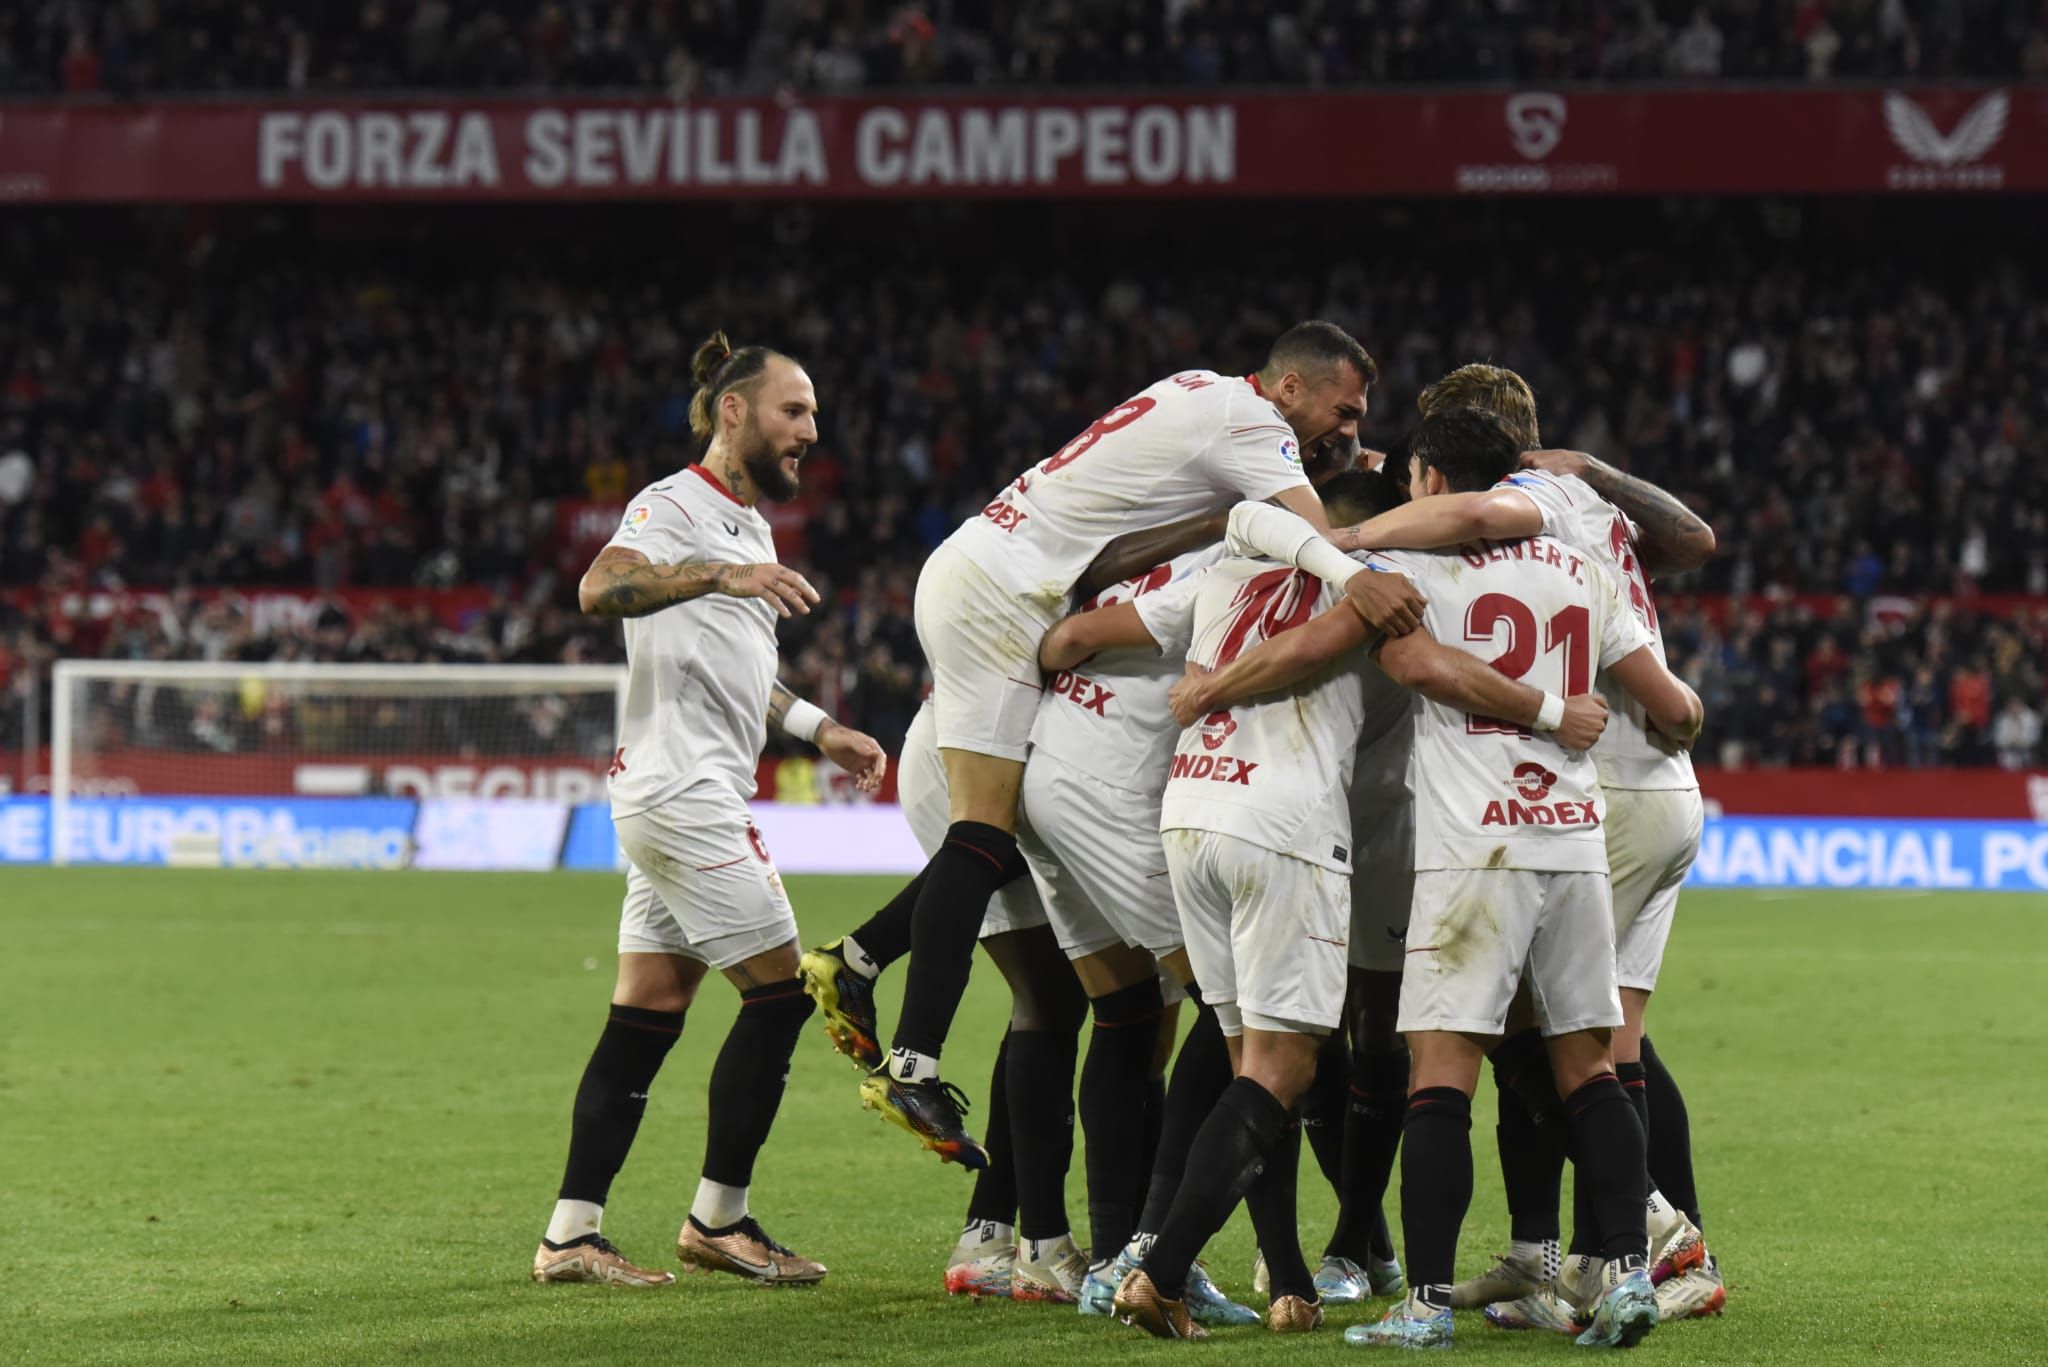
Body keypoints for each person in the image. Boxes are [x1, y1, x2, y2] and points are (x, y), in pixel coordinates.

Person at [802, 322, 1426, 1165]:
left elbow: (1125, 554)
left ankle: (861, 960)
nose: (1342, 429)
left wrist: (1300, 493)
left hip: (996, 577)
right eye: (1341, 410)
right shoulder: (1256, 426)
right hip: (1006, 599)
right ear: (1289, 389)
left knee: (1053, 956)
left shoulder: (1200, 392)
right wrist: (1388, 528)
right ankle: (906, 1054)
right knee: (984, 838)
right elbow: (1316, 537)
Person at [1034, 469, 1606, 1338]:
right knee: (1285, 1068)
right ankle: (1159, 1271)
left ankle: (1286, 1276)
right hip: (1286, 825)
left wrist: (1201, 686)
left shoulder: (1226, 570)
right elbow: (1310, 648)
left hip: (1191, 807)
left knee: (1247, 1065)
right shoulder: (1381, 587)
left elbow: (1203, 557)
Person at [1248, 407, 1699, 1351]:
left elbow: (1411, 660)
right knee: (1592, 1067)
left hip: (1474, 843)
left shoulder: (1419, 568)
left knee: (1441, 1074)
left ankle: (1420, 1303)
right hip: (1574, 837)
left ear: (1429, 477)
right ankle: (1623, 1275)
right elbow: (1667, 699)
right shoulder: (1587, 569)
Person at [531, 333, 887, 1289]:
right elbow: (600, 585)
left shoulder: (754, 529)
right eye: (794, 410)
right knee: (781, 994)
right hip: (683, 795)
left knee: (646, 1010)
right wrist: (719, 574)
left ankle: (570, 1233)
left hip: (677, 794)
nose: (811, 430)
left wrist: (823, 729)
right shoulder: (675, 503)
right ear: (734, 411)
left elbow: (745, 676)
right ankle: (718, 1218)